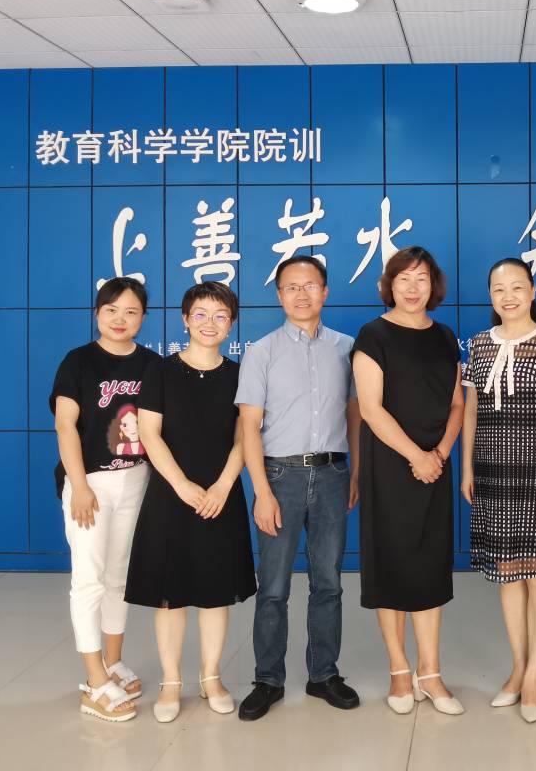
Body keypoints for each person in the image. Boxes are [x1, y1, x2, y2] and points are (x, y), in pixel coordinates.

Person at [235, 255, 362, 721]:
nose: (301, 294)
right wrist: (262, 492)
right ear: (279, 295)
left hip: (332, 476)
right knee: (273, 586)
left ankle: (323, 674)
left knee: (329, 582)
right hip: (280, 478)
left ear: (325, 292)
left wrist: (354, 473)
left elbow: (354, 416)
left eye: (310, 286)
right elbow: (249, 427)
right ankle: (268, 680)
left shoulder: (346, 348)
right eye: (291, 287)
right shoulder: (262, 352)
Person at [124, 280, 255, 723]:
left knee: (216, 593)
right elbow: (149, 433)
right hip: (170, 493)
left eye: (220, 316)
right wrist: (180, 484)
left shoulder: (240, 375)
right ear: (185, 319)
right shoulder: (160, 371)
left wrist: (223, 485)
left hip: (221, 495)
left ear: (231, 324)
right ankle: (170, 682)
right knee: (170, 594)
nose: (209, 323)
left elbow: (244, 436)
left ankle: (211, 677)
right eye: (200, 314)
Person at [460, 258, 536, 724]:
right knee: (508, 575)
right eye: (498, 289)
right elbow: (470, 412)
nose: (507, 296)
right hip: (492, 474)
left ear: (531, 291)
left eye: (516, 287)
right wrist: (467, 468)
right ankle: (517, 668)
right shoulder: (479, 344)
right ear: (491, 295)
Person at [351, 246, 465, 716]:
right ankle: (399, 670)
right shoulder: (373, 335)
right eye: (404, 278)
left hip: (435, 465)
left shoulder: (445, 336)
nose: (413, 287)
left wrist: (439, 454)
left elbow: (457, 404)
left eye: (421, 278)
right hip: (391, 465)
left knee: (430, 565)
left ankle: (430, 672)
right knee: (392, 563)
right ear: (390, 285)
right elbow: (370, 408)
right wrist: (416, 455)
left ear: (432, 284)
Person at [50, 276, 160, 722]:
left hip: (136, 481)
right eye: (112, 309)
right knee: (89, 581)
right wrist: (79, 486)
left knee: (119, 578)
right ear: (97, 313)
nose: (120, 319)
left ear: (143, 318)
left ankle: (113, 663)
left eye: (131, 311)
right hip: (92, 483)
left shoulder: (152, 365)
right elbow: (65, 426)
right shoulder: (78, 362)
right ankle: (94, 682)